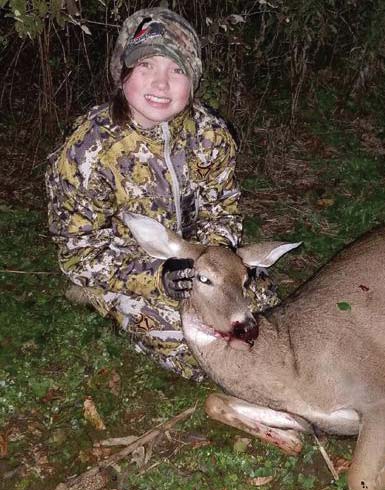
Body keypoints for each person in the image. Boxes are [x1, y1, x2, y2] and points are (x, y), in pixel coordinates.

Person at [45, 7, 277, 381]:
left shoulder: (210, 133)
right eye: (146, 65)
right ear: (122, 73)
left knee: (267, 308)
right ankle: (97, 301)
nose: (161, 83)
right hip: (130, 270)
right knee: (196, 350)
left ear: (193, 81)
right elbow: (79, 252)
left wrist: (214, 266)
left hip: (201, 266)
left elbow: (222, 207)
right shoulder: (88, 151)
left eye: (177, 70)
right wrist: (157, 277)